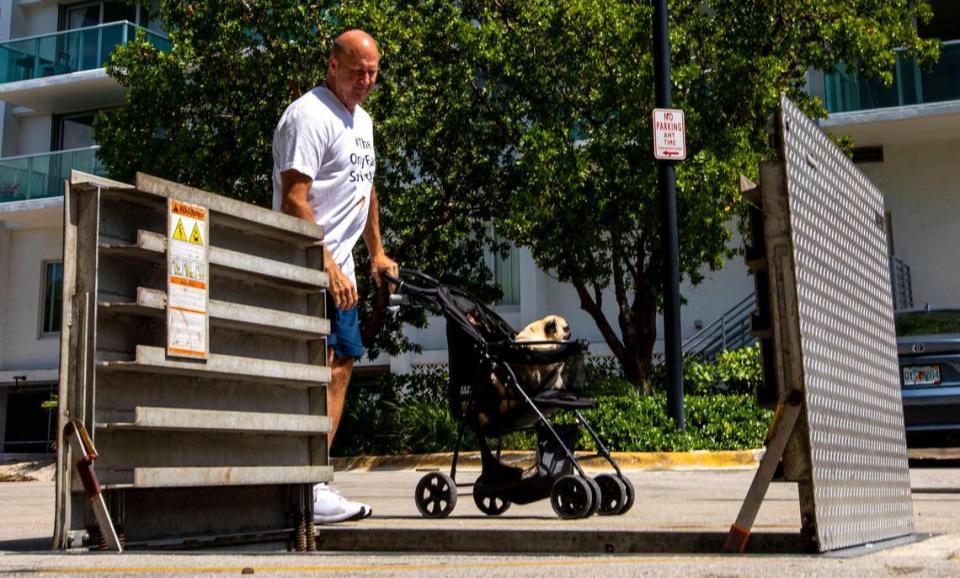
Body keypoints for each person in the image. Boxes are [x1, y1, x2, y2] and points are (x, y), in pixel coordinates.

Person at [272, 29, 398, 524]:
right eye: (357, 72)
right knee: (316, 368)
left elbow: (365, 189)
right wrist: (325, 263)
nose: (366, 81)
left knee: (342, 363)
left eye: (373, 73)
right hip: (303, 266)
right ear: (332, 65)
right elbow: (293, 200)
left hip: (340, 268)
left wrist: (377, 253)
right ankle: (304, 482)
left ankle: (315, 479)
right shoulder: (309, 115)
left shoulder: (362, 120)